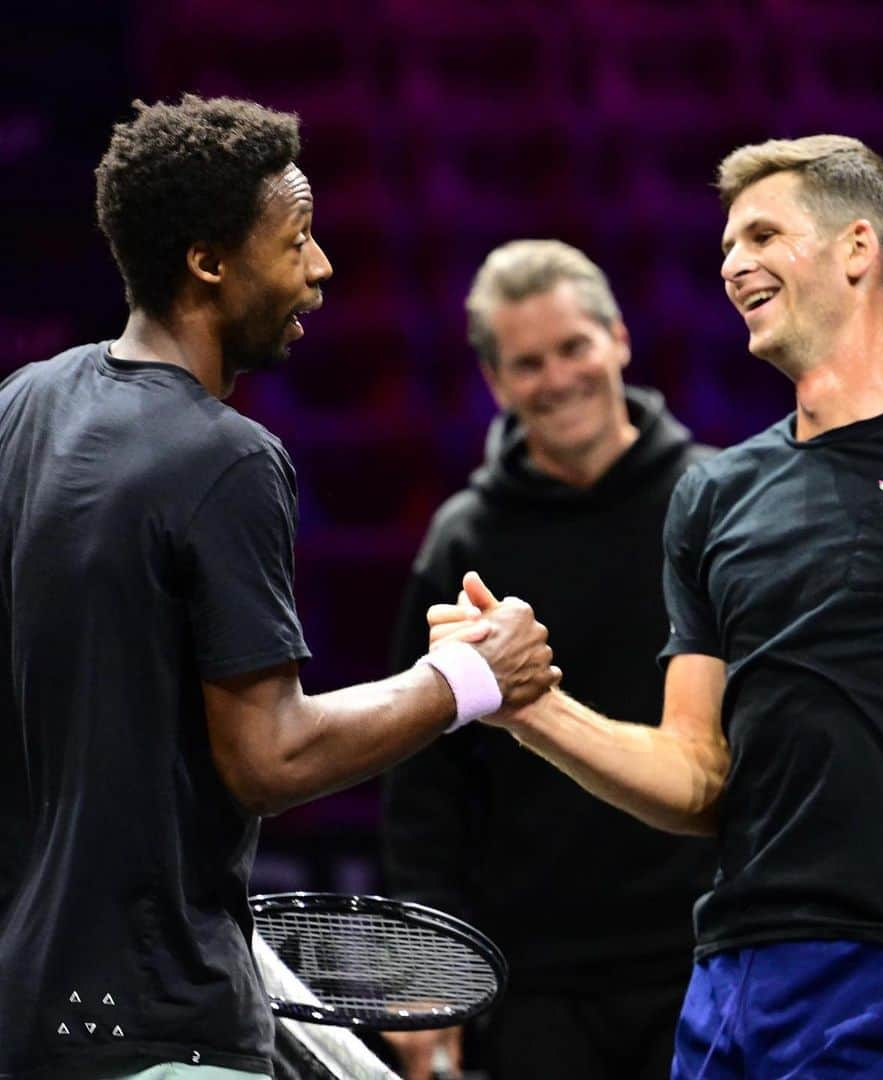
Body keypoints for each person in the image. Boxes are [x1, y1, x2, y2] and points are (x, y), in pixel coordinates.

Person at [428, 136, 883, 1078]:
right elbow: (698, 774)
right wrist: (526, 705)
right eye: (727, 246)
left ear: (859, 247)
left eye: (763, 236)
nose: (733, 265)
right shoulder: (714, 495)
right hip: (728, 970)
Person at [0, 94, 558, 1080]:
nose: (321, 268)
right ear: (210, 263)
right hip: (162, 1029)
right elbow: (269, 757)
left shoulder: (20, 408)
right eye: (295, 240)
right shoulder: (230, 459)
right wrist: (468, 679)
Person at [380, 240, 717, 1080]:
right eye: (528, 362)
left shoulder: (718, 502)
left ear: (620, 339)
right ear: (496, 383)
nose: (558, 377)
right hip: (532, 982)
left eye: (574, 347)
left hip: (710, 953)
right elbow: (424, 789)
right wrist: (427, 968)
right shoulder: (463, 540)